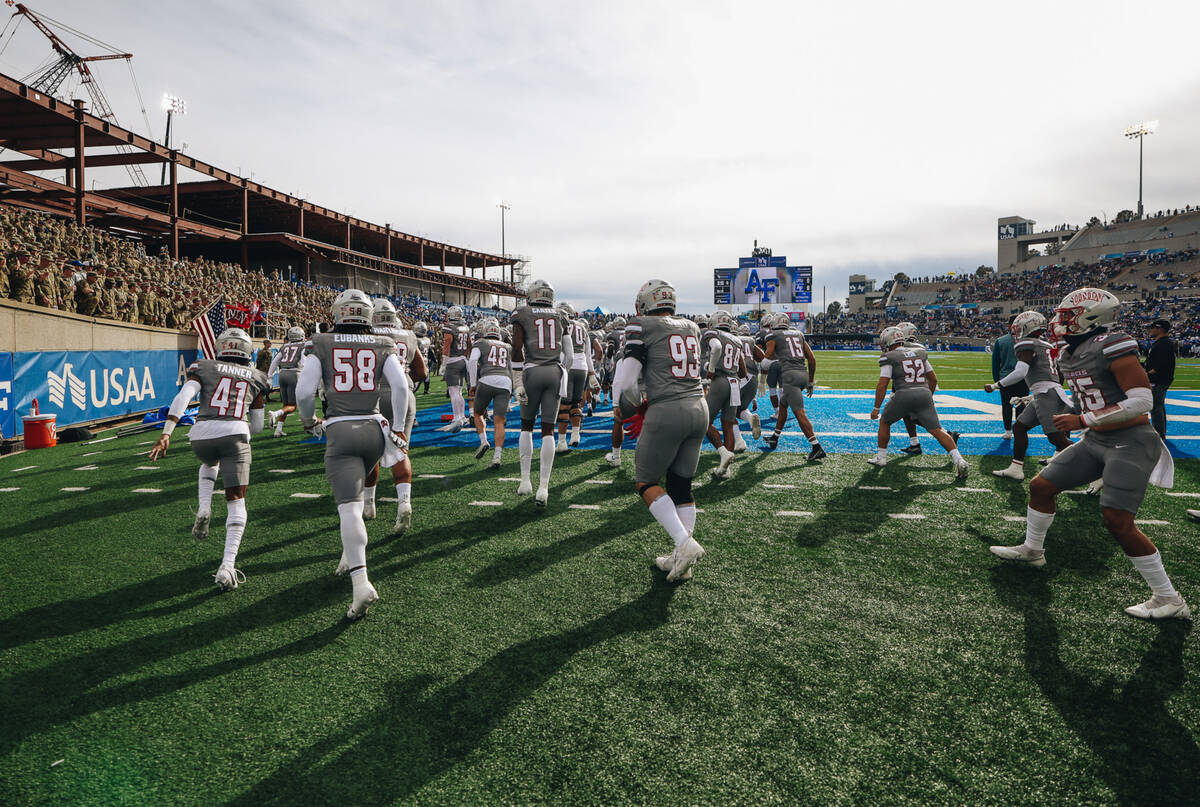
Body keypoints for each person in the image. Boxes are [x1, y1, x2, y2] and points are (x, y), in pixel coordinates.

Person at [990, 288, 1187, 620]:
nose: (1058, 321)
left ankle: (1169, 598)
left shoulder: (1113, 344)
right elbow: (1086, 400)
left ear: (1090, 317)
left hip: (1130, 440)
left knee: (1117, 521)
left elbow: (1141, 402)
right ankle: (1032, 550)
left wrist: (1082, 420)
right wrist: (1037, 403)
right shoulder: (1069, 354)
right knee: (1040, 487)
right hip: (1096, 439)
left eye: (1066, 316)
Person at [297, 289, 410, 620]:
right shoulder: (382, 344)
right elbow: (401, 387)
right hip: (376, 429)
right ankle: (350, 555)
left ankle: (360, 582)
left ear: (338, 313)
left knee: (349, 509)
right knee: (357, 500)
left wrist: (308, 422)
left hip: (342, 429)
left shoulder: (321, 342)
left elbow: (304, 391)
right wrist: (400, 428)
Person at [148, 328, 270, 590]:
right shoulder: (257, 376)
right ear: (247, 352)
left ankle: (204, 508)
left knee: (209, 462)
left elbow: (184, 397)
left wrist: (167, 432)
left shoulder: (203, 366)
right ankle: (227, 566)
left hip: (201, 435)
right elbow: (258, 427)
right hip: (235, 431)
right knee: (236, 502)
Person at [615, 279, 707, 582]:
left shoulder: (641, 325)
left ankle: (684, 544)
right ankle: (682, 559)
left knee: (646, 481)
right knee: (681, 486)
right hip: (699, 408)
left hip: (667, 409)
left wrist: (631, 404)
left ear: (644, 303)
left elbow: (628, 381)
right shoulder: (691, 327)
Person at [869, 326, 968, 479]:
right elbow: (933, 379)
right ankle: (959, 460)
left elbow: (883, 384)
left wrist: (876, 408)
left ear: (888, 340)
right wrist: (928, 395)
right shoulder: (920, 353)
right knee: (937, 430)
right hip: (924, 393)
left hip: (902, 394)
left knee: (885, 421)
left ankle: (881, 457)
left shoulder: (889, 357)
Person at [988, 311, 1074, 479]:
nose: (1016, 330)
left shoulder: (1026, 343)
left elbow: (1020, 372)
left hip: (1045, 393)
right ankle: (1016, 468)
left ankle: (1097, 470)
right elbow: (1060, 373)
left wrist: (996, 385)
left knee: (1057, 438)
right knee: (1019, 427)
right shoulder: (1047, 345)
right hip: (1048, 391)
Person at [510, 279, 572, 504]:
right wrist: (561, 372)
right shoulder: (561, 315)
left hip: (532, 372)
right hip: (554, 371)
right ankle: (543, 487)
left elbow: (516, 348)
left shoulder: (523, 312)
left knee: (526, 427)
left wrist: (517, 381)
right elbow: (570, 355)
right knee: (548, 430)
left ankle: (525, 481)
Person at [368, 298, 426, 533]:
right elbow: (421, 372)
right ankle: (404, 503)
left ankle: (368, 504)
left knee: (370, 452)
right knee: (400, 451)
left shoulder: (367, 335)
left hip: (374, 396)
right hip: (405, 395)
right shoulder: (409, 336)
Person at [762, 313, 826, 460]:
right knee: (783, 404)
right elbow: (811, 358)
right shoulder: (798, 334)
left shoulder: (773, 335)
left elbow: (769, 355)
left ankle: (816, 447)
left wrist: (763, 365)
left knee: (799, 413)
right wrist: (810, 381)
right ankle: (775, 437)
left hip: (789, 377)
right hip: (802, 375)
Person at [702, 310, 747, 479]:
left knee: (704, 421)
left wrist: (712, 369)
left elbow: (717, 347)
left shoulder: (713, 333)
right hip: (734, 382)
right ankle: (725, 469)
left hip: (720, 380)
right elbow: (742, 371)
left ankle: (722, 452)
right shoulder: (736, 339)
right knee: (728, 424)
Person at [467, 317, 512, 470]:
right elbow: (511, 368)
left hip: (487, 380)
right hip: (505, 382)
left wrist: (473, 384)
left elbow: (472, 361)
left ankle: (483, 441)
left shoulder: (480, 343)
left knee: (478, 413)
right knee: (499, 421)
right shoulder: (506, 346)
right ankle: (497, 457)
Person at [556, 302, 597, 452]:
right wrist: (592, 374)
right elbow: (587, 354)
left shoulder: (560, 325)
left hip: (567, 365)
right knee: (577, 403)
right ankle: (575, 435)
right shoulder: (583, 327)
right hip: (583, 368)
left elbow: (561, 350)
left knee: (564, 405)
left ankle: (561, 442)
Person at [991, 315, 1028, 440]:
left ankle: (1008, 431)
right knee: (1021, 406)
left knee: (1007, 406)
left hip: (1006, 379)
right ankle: (1019, 430)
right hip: (1023, 379)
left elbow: (995, 364)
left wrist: (997, 381)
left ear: (1009, 325)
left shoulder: (1001, 341)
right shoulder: (1027, 340)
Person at [267, 326, 307, 437]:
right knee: (293, 406)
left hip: (282, 374)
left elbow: (275, 361)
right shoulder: (303, 345)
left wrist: (269, 376)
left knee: (286, 405)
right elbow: (303, 362)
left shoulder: (284, 346)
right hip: (295, 373)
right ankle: (275, 414)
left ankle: (278, 430)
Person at [439, 307, 471, 432]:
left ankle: (457, 417)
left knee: (453, 392)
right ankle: (462, 416)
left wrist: (443, 363)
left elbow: (447, 344)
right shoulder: (465, 327)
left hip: (453, 361)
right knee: (459, 391)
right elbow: (469, 345)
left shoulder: (450, 327)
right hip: (464, 360)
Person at [1144, 318, 1175, 440]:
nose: (1150, 330)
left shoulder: (1164, 343)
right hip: (1160, 379)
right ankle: (1160, 432)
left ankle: (1159, 434)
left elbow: (1161, 365)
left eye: (1153, 328)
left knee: (1156, 407)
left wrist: (1146, 374)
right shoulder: (1162, 342)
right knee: (1158, 406)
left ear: (1160, 329)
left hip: (1158, 380)